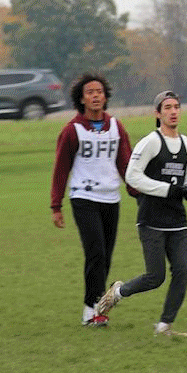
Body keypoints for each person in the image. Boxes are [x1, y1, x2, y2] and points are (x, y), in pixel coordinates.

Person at [93, 91, 187, 337]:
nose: (173, 111)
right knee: (155, 277)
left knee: (182, 272)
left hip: (178, 221)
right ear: (157, 114)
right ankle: (116, 293)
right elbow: (132, 176)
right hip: (151, 220)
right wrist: (167, 190)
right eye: (167, 107)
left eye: (176, 106)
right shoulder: (151, 142)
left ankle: (164, 326)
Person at [50, 72, 133, 327]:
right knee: (95, 252)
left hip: (111, 198)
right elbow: (61, 169)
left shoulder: (116, 127)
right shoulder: (72, 130)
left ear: (105, 97)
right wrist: (56, 205)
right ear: (82, 99)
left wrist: (139, 191)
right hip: (84, 197)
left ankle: (98, 308)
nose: (95, 96)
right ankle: (92, 309)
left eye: (99, 92)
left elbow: (126, 164)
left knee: (106, 256)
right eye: (90, 92)